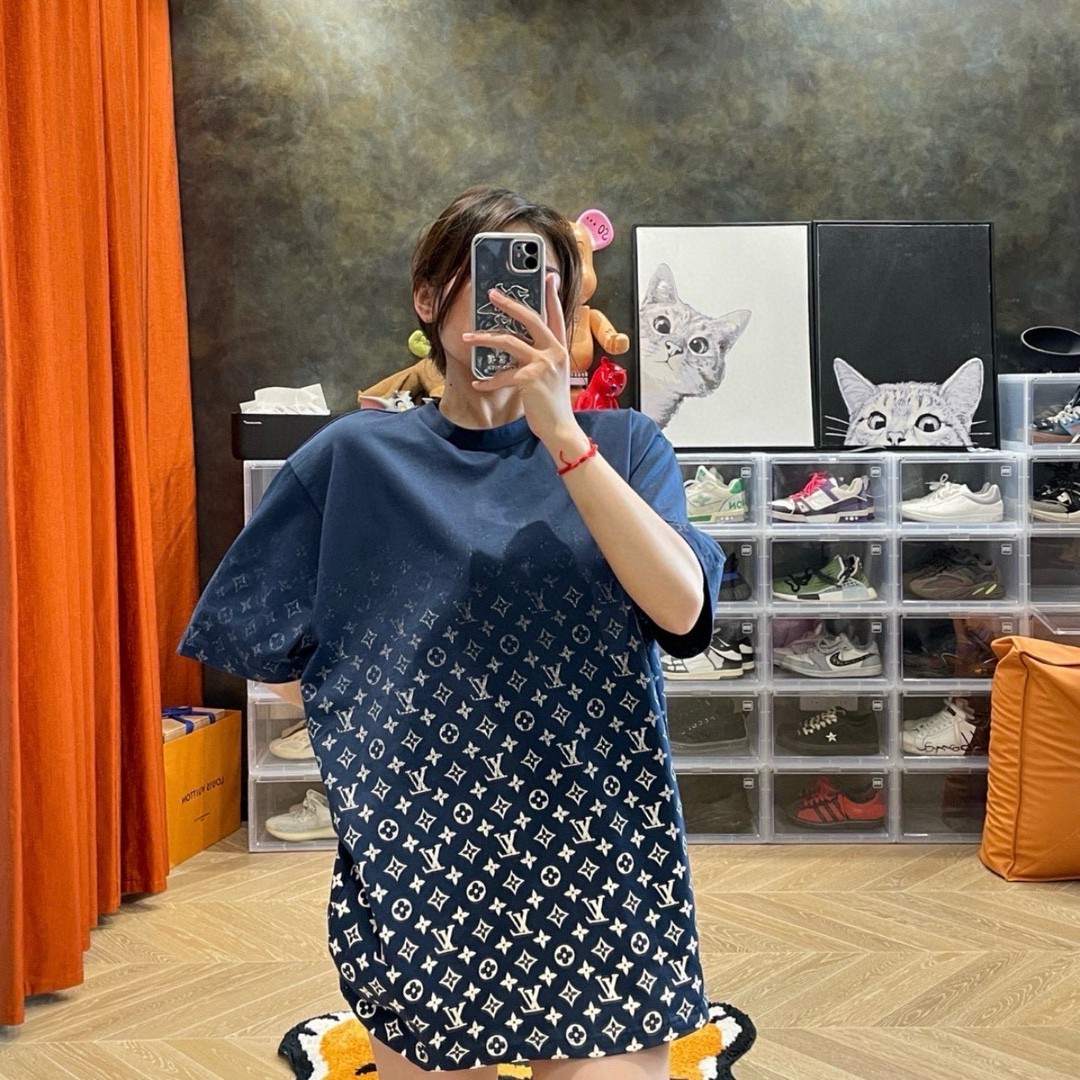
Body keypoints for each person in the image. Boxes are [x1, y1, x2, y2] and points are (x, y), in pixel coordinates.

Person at [178, 186, 724, 1079]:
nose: (524, 307)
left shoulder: (625, 446)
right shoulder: (353, 459)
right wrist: (386, 724)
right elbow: (262, 649)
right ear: (429, 299)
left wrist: (562, 434)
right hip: (425, 857)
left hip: (600, 844)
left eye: (547, 288)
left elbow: (684, 612)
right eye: (497, 281)